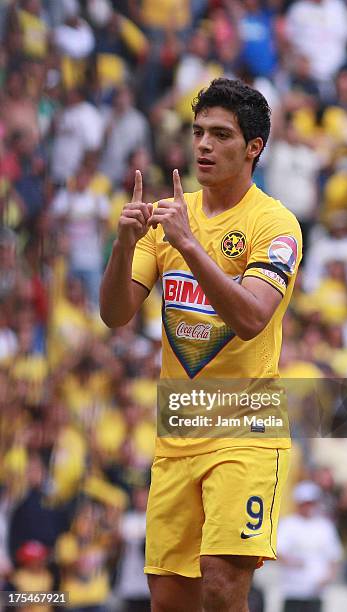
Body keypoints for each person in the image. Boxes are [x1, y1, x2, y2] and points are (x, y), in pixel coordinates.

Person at [100, 78, 302, 611]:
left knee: (220, 585)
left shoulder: (274, 224)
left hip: (246, 430)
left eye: (220, 134)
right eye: (197, 133)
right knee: (169, 600)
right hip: (179, 431)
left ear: (253, 147)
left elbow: (253, 317)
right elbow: (115, 313)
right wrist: (123, 247)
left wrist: (188, 244)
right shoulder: (168, 216)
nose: (203, 145)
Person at [277, 481, 342, 612]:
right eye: (305, 503)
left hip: (316, 592)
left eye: (311, 503)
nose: (308, 507)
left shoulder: (325, 526)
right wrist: (292, 562)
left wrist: (328, 577)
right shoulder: (288, 524)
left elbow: (334, 556)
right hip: (293, 590)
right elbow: (278, 551)